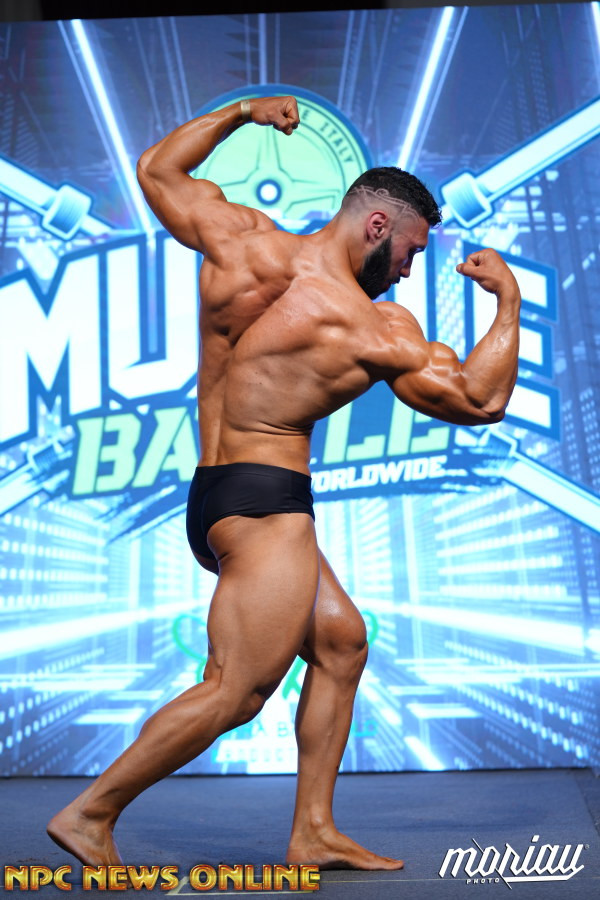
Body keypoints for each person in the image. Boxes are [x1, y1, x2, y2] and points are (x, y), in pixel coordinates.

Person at [47, 95, 521, 872]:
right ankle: (90, 813)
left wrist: (242, 114)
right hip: (268, 506)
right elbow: (481, 399)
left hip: (218, 493)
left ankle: (312, 832)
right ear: (377, 226)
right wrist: (508, 300)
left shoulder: (244, 243)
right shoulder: (367, 325)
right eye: (409, 252)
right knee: (236, 690)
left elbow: (157, 169)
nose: (408, 270)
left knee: (340, 642)